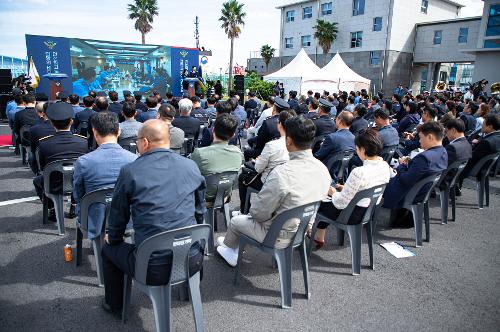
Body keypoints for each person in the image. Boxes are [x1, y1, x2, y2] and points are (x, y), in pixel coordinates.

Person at [101, 120, 206, 315]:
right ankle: (190, 291)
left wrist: (113, 239)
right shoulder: (190, 166)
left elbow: (118, 216)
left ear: (145, 143)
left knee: (108, 249)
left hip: (152, 266)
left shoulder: (131, 171)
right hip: (193, 259)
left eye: (138, 140)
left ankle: (114, 305)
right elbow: (200, 212)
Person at [216, 116, 331, 267]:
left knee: (236, 221)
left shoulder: (282, 173)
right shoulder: (322, 169)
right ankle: (229, 243)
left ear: (288, 141)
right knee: (243, 221)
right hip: (300, 231)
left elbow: (258, 213)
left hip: (275, 235)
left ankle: (230, 249)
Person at [312, 129, 392, 248]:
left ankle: (311, 233)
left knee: (320, 201)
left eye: (357, 148)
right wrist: (343, 188)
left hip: (349, 214)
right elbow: (365, 188)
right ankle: (319, 235)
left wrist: (333, 192)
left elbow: (340, 203)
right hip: (367, 212)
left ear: (363, 150)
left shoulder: (359, 172)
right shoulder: (385, 166)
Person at [73, 112, 137, 240]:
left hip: (94, 218)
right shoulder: (135, 159)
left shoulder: (83, 161)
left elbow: (78, 195)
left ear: (94, 132)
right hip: (127, 218)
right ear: (119, 131)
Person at [383, 121, 448, 225]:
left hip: (408, 193)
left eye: (421, 137)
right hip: (422, 192)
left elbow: (406, 180)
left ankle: (366, 216)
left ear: (430, 137)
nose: (419, 141)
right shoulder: (443, 152)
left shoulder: (424, 157)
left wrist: (402, 165)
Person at [33, 103, 88, 221]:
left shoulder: (44, 143)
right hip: (77, 183)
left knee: (37, 180)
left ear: (52, 123)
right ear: (71, 121)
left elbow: (42, 168)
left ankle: (52, 208)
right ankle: (74, 205)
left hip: (53, 184)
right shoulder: (83, 142)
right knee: (77, 173)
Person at [238, 110, 295, 213]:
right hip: (288, 181)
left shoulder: (272, 145)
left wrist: (258, 161)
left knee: (242, 177)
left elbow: (258, 168)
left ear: (280, 124)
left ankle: (244, 210)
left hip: (269, 182)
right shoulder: (296, 145)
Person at [191, 114, 243, 202]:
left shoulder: (200, 153)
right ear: (233, 135)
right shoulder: (238, 153)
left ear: (213, 130)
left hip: (201, 197)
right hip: (225, 195)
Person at [459, 113, 500, 186]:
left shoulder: (486, 142)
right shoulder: (496, 137)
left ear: (490, 126)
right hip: (486, 168)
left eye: (484, 123)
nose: (482, 125)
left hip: (475, 169)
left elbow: (471, 158)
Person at [314, 111, 356, 177]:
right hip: (341, 172)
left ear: (339, 120)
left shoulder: (331, 137)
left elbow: (318, 156)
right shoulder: (354, 138)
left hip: (325, 171)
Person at [441, 119, 472, 192]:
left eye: (446, 131)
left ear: (453, 130)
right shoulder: (468, 144)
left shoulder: (452, 147)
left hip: (444, 180)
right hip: (456, 178)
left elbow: (440, 164)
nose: (445, 135)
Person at [29, 102, 55, 173]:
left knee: (32, 155)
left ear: (43, 112)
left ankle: (37, 173)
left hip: (44, 163)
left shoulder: (35, 129)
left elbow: (33, 149)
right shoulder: (63, 128)